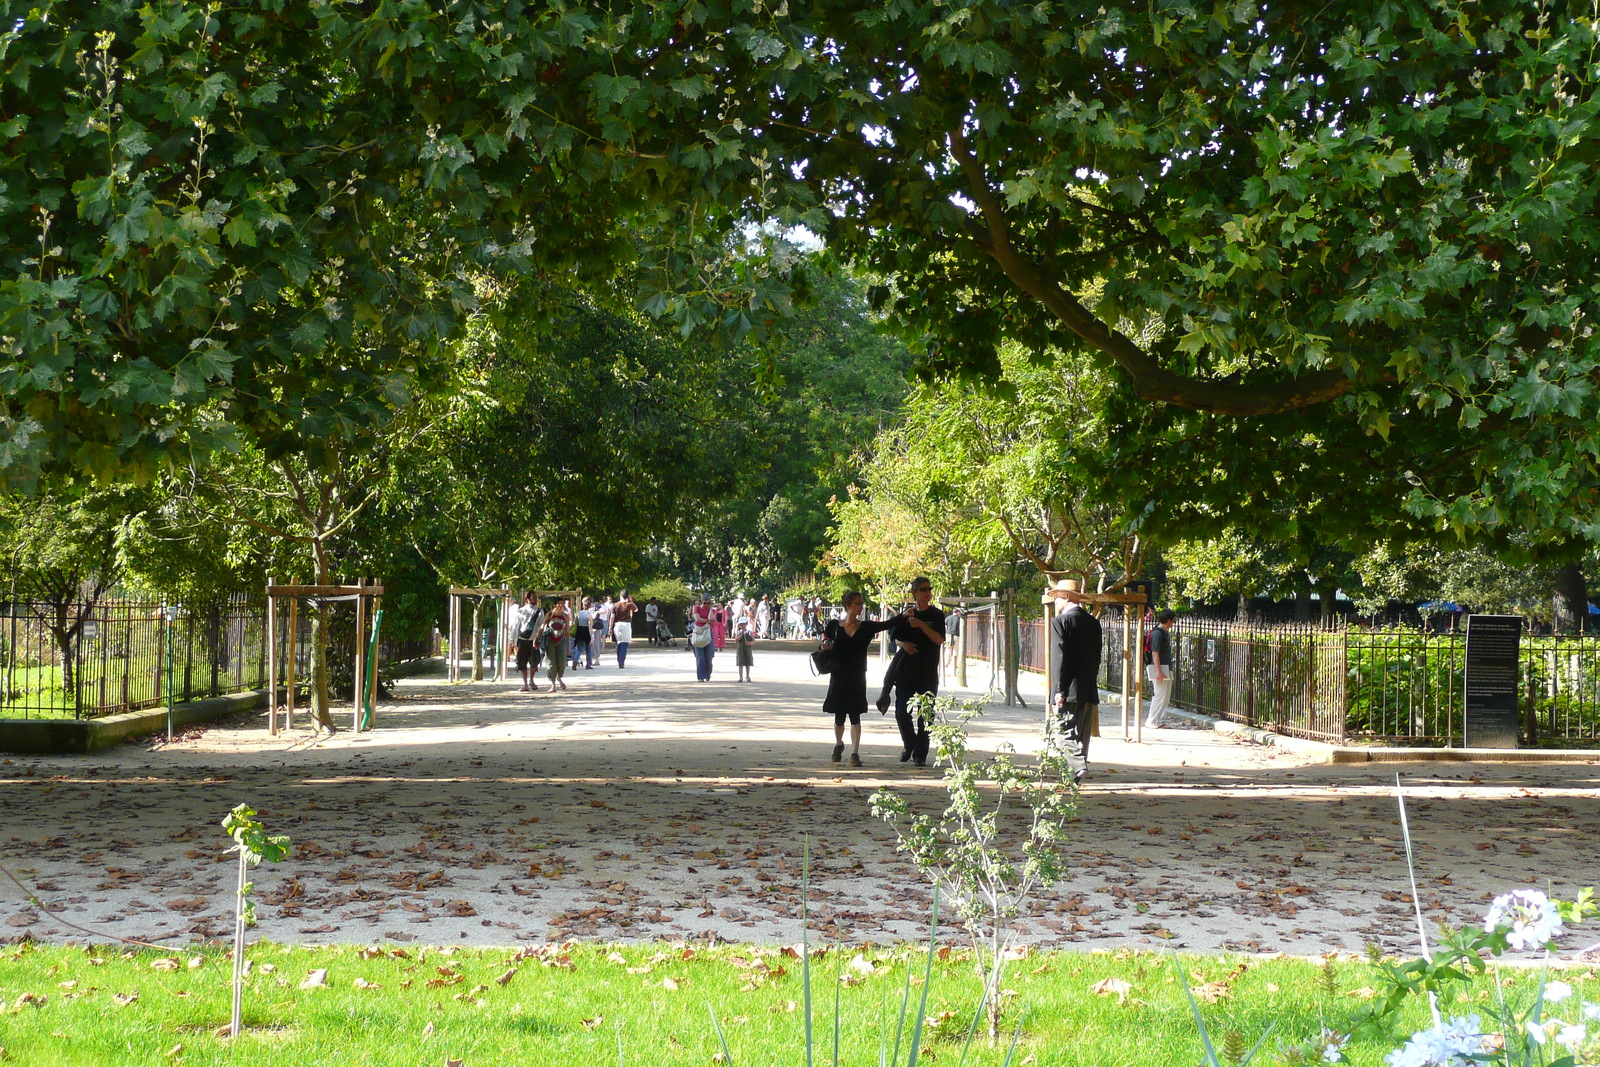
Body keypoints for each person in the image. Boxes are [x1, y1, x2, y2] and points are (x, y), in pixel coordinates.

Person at [821, 590, 899, 766]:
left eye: (861, 603)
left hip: (857, 676)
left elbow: (888, 624)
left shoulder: (866, 627)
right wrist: (825, 646)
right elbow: (825, 641)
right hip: (838, 674)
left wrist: (905, 615)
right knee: (839, 715)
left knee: (855, 714)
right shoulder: (834, 625)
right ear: (847, 605)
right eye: (857, 603)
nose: (861, 606)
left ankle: (855, 753)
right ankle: (839, 744)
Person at [1047, 579, 1102, 780]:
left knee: (1062, 729)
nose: (1054, 603)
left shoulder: (1060, 622)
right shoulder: (1094, 623)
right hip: (1088, 686)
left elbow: (1059, 658)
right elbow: (1097, 657)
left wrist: (1059, 689)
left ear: (1067, 597)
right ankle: (1075, 775)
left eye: (1057, 598)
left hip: (1068, 687)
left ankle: (1079, 767)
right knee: (1082, 734)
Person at [888, 577, 946, 767]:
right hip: (906, 672)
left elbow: (939, 640)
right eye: (923, 589)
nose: (927, 593)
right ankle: (910, 743)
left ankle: (921, 754)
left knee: (926, 715)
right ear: (914, 593)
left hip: (928, 671)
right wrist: (904, 644)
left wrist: (921, 625)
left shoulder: (937, 615)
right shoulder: (906, 615)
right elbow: (894, 638)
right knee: (901, 712)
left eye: (929, 589)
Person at [1144, 609, 1177, 728]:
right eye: (1173, 621)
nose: (1173, 623)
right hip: (1160, 668)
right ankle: (1151, 720)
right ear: (1168, 621)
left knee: (1165, 695)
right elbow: (1155, 653)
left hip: (1165, 667)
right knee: (1159, 694)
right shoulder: (1158, 634)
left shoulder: (1162, 632)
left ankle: (1159, 720)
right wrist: (1159, 671)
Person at [511, 591, 544, 692]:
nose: (535, 600)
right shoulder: (521, 611)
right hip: (523, 640)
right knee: (522, 662)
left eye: (536, 598)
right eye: (533, 598)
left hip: (534, 640)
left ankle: (532, 680)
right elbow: (516, 626)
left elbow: (541, 626)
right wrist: (512, 639)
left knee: (534, 662)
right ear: (527, 599)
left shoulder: (540, 612)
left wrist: (538, 639)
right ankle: (525, 684)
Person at [543, 597, 571, 692]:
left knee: (562, 662)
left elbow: (567, 632)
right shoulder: (549, 615)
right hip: (550, 641)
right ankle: (553, 684)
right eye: (558, 603)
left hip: (561, 641)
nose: (560, 605)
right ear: (555, 604)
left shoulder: (565, 616)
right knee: (551, 664)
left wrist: (569, 647)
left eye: (562, 603)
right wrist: (537, 638)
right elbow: (542, 626)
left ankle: (559, 677)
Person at [689, 595, 715, 681]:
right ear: (701, 601)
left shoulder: (711, 610)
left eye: (708, 603)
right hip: (698, 632)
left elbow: (711, 618)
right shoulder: (697, 608)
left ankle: (708, 674)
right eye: (705, 603)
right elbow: (697, 619)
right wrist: (707, 621)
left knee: (709, 656)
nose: (706, 605)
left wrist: (711, 608)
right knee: (700, 656)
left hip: (708, 633)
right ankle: (701, 676)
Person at [612, 590, 637, 667]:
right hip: (626, 625)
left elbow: (612, 617)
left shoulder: (615, 605)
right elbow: (636, 609)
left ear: (620, 595)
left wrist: (610, 628)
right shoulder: (629, 605)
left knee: (618, 643)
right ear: (627, 596)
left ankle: (619, 659)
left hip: (617, 625)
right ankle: (621, 662)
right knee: (624, 644)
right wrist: (631, 601)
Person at [572, 597, 593, 670]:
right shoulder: (589, 615)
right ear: (589, 606)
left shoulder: (579, 613)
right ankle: (588, 664)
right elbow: (590, 627)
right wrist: (591, 637)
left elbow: (576, 622)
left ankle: (574, 662)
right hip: (586, 631)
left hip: (579, 631)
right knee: (588, 649)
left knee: (579, 649)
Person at [734, 617, 755, 682]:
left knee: (747, 663)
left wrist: (749, 643)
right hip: (740, 649)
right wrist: (741, 634)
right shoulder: (738, 632)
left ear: (746, 624)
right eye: (741, 625)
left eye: (744, 624)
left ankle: (747, 675)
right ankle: (740, 677)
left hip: (747, 649)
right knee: (740, 663)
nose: (742, 626)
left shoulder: (749, 632)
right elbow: (736, 640)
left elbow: (753, 641)